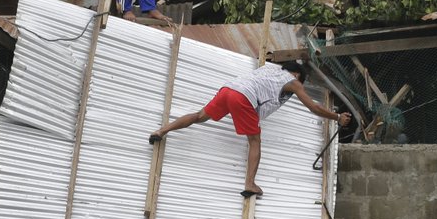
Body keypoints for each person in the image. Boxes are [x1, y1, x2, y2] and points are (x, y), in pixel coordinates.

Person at [148, 61, 352, 197]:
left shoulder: (268, 68)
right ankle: (250, 184)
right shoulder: (293, 81)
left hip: (228, 89)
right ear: (297, 74)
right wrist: (336, 116)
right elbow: (313, 106)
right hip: (244, 97)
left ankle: (161, 131)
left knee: (200, 116)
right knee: (255, 140)